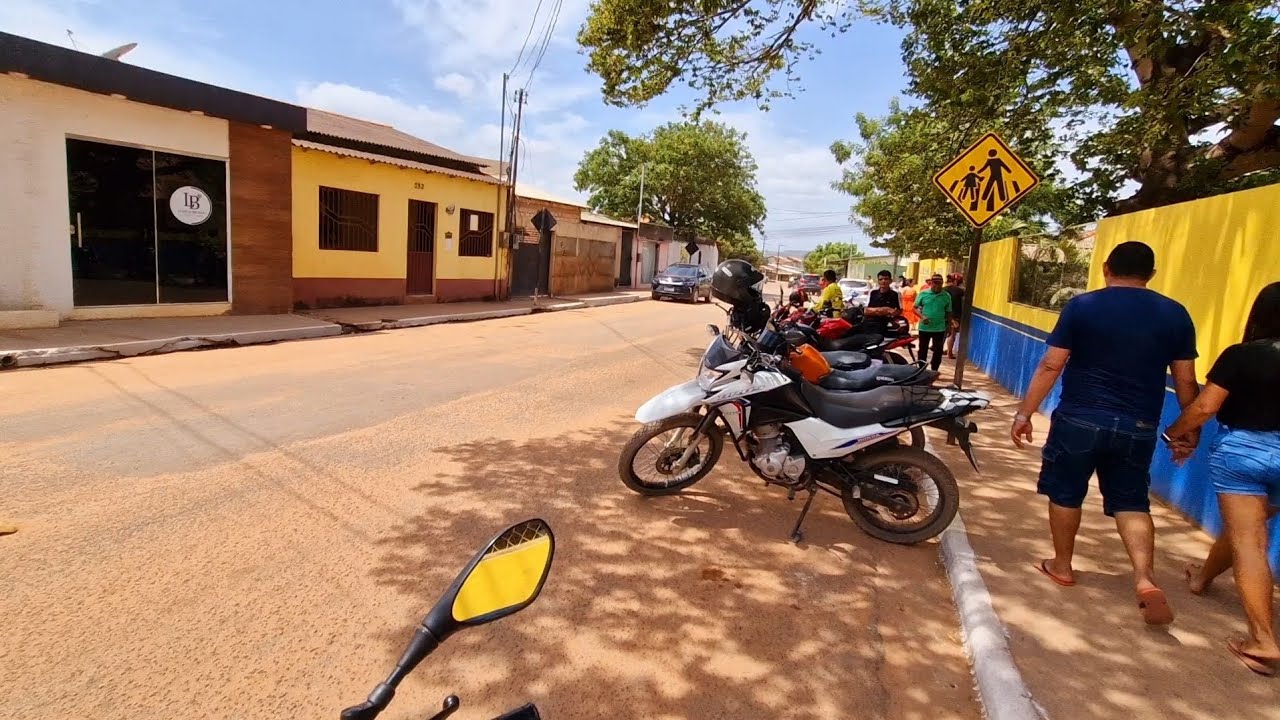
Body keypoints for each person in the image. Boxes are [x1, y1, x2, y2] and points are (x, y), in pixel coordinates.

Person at [1010, 241, 1199, 626]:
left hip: (1079, 419)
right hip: (1139, 426)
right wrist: (1188, 431)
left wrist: (1025, 412)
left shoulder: (1083, 306)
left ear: (1107, 268)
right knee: (1131, 500)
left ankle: (1062, 566)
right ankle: (1145, 580)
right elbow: (1186, 380)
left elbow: (1051, 364)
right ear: (1152, 274)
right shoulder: (1175, 314)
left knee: (1066, 492)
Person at [1167, 282, 1280, 675]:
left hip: (1244, 454)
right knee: (1249, 527)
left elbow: (1205, 407)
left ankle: (1264, 642)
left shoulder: (1242, 355)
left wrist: (1176, 433)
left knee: (1249, 538)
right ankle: (1202, 578)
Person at [915, 273, 953, 371]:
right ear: (931, 283)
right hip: (924, 327)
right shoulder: (923, 294)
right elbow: (914, 308)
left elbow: (948, 312)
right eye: (934, 283)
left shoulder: (946, 296)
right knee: (922, 349)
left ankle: (934, 369)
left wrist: (948, 326)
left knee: (938, 350)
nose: (936, 286)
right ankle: (921, 369)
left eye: (939, 283)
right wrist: (922, 316)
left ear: (942, 284)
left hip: (939, 328)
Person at [945, 274, 966, 359]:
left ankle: (939, 351)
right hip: (955, 315)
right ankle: (949, 353)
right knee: (952, 334)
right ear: (956, 281)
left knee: (942, 334)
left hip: (943, 314)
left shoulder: (943, 290)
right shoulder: (960, 291)